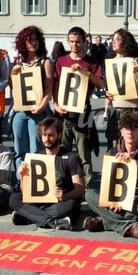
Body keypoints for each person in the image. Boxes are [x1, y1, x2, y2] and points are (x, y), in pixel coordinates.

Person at [84, 112, 138, 241]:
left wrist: (135, 163)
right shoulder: (112, 152)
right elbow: (107, 183)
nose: (130, 132)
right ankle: (129, 227)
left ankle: (106, 221)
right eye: (126, 128)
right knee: (90, 194)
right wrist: (114, 201)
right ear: (121, 131)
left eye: (134, 129)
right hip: (115, 198)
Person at [9, 117, 85, 230]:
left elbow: (80, 189)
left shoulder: (70, 157)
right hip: (40, 201)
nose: (47, 139)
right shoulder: (36, 156)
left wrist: (65, 196)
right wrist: (23, 176)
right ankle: (51, 222)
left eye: (50, 135)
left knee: (72, 206)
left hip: (60, 202)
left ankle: (30, 216)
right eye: (44, 135)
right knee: (14, 198)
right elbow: (25, 191)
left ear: (59, 135)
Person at [53, 27, 104, 182]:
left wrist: (85, 72)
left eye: (78, 42)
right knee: (62, 150)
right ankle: (64, 183)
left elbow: (101, 84)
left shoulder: (91, 62)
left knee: (84, 151)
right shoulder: (61, 61)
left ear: (84, 42)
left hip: (83, 111)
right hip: (63, 113)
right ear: (68, 42)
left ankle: (87, 185)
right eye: (72, 42)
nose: (74, 45)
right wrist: (55, 104)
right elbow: (55, 85)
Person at [10, 26, 54, 174]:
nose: (33, 43)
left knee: (36, 149)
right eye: (29, 40)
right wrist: (13, 74)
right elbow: (13, 88)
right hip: (20, 111)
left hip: (38, 111)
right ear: (23, 42)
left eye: (36, 39)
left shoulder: (45, 62)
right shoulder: (18, 61)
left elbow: (49, 89)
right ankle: (21, 182)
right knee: (19, 149)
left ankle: (36, 184)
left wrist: (42, 106)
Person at [104, 29, 138, 150]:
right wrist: (107, 94)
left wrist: (136, 73)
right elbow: (108, 88)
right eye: (113, 39)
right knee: (114, 145)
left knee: (134, 146)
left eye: (118, 39)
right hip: (116, 110)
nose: (113, 42)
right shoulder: (110, 63)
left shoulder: (135, 63)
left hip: (133, 110)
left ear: (125, 42)